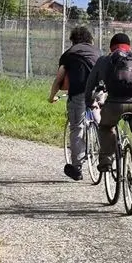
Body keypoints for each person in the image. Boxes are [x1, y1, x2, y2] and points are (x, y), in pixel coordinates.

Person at [85, 33, 132, 192]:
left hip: (114, 104)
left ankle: (107, 161)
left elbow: (91, 83)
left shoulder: (105, 60)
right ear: (129, 46)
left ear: (111, 47)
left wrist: (89, 101)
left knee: (106, 127)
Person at [48, 26, 101, 181]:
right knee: (100, 121)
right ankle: (109, 154)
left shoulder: (69, 54)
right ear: (90, 39)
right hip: (99, 92)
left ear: (73, 41)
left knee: (77, 127)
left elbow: (59, 79)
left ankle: (77, 167)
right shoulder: (98, 52)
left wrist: (51, 97)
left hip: (79, 93)